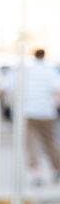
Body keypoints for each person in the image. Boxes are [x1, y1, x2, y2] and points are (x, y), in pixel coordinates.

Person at [14, 48, 60, 185]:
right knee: (50, 142)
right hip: (47, 112)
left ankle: (36, 173)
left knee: (31, 143)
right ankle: (57, 169)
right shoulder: (50, 71)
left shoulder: (28, 71)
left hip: (29, 112)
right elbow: (57, 92)